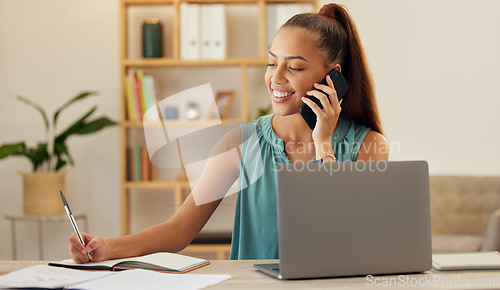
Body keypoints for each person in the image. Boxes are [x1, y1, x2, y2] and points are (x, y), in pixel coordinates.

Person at [69, 3, 389, 263]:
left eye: (294, 67)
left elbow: (347, 238)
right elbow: (179, 229)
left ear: (332, 77)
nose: (275, 79)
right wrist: (107, 247)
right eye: (271, 62)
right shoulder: (241, 141)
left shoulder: (368, 147)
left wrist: (323, 145)